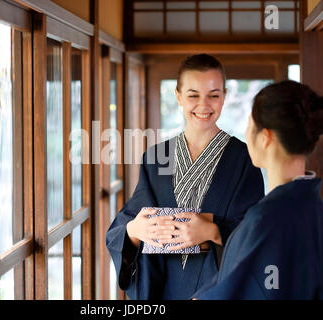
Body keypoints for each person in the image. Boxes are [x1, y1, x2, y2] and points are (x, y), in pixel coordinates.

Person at [106, 54, 265, 300]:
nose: (203, 105)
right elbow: (124, 226)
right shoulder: (156, 157)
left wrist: (212, 232)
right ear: (178, 96)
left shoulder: (245, 158)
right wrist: (134, 230)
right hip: (163, 291)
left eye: (214, 95)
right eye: (193, 95)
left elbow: (256, 233)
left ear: (224, 96)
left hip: (218, 291)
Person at [192, 80, 323, 300]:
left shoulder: (267, 218)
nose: (246, 133)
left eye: (249, 125)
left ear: (266, 137)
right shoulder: (312, 204)